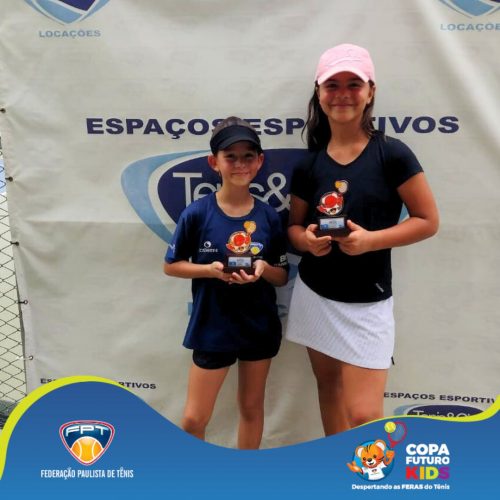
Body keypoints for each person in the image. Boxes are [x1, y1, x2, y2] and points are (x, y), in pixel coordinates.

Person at [285, 44, 439, 435]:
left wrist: (371, 241)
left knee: (365, 416)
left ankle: (366, 471)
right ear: (318, 93)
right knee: (329, 391)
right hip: (316, 294)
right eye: (332, 85)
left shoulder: (393, 154)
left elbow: (427, 221)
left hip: (369, 301)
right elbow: (294, 229)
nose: (342, 94)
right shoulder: (309, 164)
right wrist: (307, 241)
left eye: (353, 84)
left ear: (371, 91)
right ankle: (337, 469)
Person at [164, 117, 289, 448]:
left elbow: (281, 275)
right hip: (212, 327)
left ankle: (244, 475)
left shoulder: (268, 216)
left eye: (248, 156)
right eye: (230, 156)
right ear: (214, 162)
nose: (240, 164)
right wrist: (210, 270)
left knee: (251, 408)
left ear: (259, 162)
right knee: (194, 419)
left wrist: (263, 268)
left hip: (258, 326)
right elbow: (171, 266)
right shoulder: (197, 213)